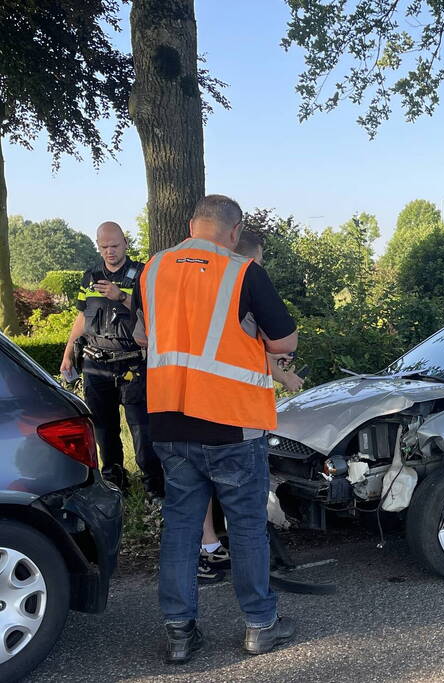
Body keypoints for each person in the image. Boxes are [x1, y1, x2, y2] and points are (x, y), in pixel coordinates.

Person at [134, 195, 298, 664]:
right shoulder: (242, 271)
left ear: (191, 225)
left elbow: (143, 336)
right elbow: (283, 340)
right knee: (246, 527)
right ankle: (260, 626)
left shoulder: (154, 269)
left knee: (181, 527)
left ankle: (180, 634)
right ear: (234, 230)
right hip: (232, 421)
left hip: (168, 418)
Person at [196, 228, 305, 585]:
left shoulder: (201, 287)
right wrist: (289, 380)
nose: (260, 267)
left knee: (198, 490)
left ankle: (208, 547)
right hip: (237, 414)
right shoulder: (242, 284)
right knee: (245, 507)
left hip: (188, 408)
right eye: (258, 261)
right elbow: (270, 346)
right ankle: (258, 600)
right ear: (246, 256)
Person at [60, 221, 163, 496]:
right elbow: (82, 317)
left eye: (114, 245)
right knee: (104, 429)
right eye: (104, 246)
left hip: (133, 362)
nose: (109, 251)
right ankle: (116, 482)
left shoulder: (142, 274)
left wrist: (122, 297)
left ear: (125, 243)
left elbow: (156, 313)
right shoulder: (90, 276)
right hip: (95, 363)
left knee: (142, 430)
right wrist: (68, 352)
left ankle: (154, 486)